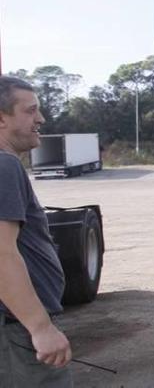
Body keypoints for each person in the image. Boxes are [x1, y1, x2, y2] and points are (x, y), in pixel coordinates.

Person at [0, 76, 73, 387]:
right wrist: (40, 328)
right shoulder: (4, 166)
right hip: (17, 333)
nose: (40, 118)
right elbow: (2, 254)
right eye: (30, 111)